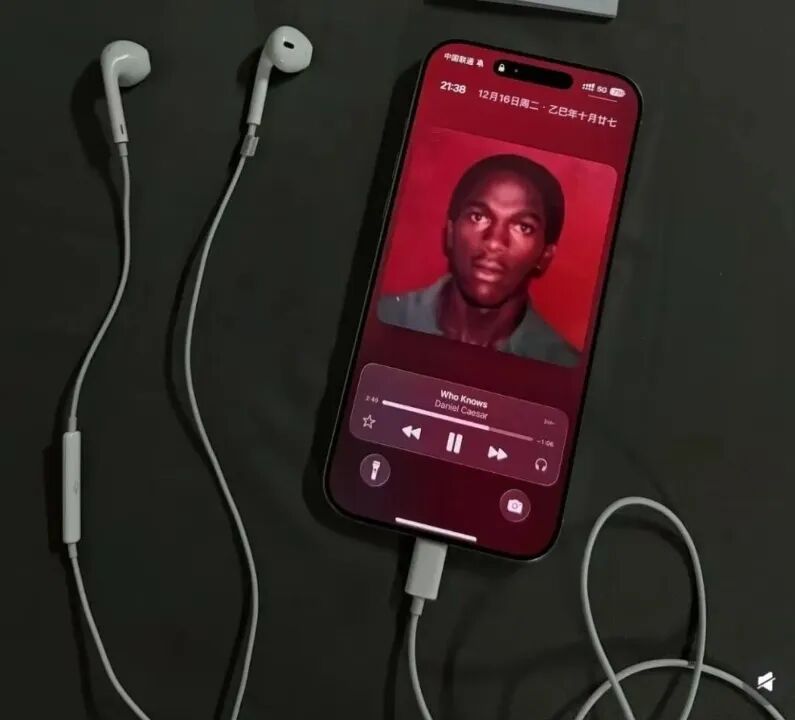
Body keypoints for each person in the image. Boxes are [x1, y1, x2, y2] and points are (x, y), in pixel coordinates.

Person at [379, 154, 579, 366]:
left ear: (545, 256)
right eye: (478, 217)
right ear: (450, 233)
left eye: (523, 227)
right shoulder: (383, 317)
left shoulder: (563, 365)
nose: (494, 242)